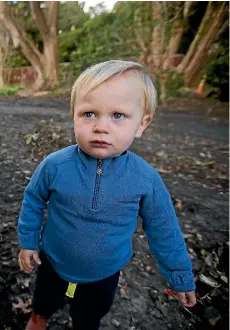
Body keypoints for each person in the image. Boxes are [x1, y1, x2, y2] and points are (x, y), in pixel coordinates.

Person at [17, 60, 197, 330]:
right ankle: (38, 320)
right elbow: (33, 200)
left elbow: (164, 229)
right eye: (89, 114)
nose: (101, 126)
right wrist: (28, 241)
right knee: (42, 307)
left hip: (102, 277)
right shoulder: (55, 166)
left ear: (141, 124)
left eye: (118, 115)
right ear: (73, 115)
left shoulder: (145, 180)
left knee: (87, 320)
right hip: (53, 264)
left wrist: (179, 273)